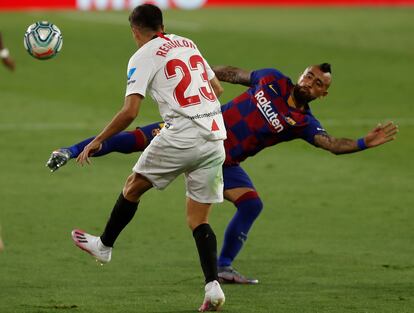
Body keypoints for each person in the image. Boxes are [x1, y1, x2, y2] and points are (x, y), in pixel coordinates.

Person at [48, 63, 398, 285]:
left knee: (251, 204)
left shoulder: (303, 122)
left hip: (223, 161)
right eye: (309, 75)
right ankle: (73, 150)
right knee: (133, 139)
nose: (310, 82)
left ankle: (224, 268)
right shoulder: (272, 80)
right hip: (193, 129)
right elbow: (234, 74)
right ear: (302, 74)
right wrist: (199, 73)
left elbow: (332, 144)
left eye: (318, 82)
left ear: (323, 93)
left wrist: (364, 142)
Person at [69, 4, 227, 312]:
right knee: (199, 220)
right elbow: (217, 87)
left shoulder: (141, 56)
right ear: (161, 25)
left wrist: (99, 140)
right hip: (215, 137)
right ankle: (212, 287)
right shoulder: (187, 42)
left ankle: (104, 246)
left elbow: (130, 111)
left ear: (134, 30)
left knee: (133, 186)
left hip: (183, 134)